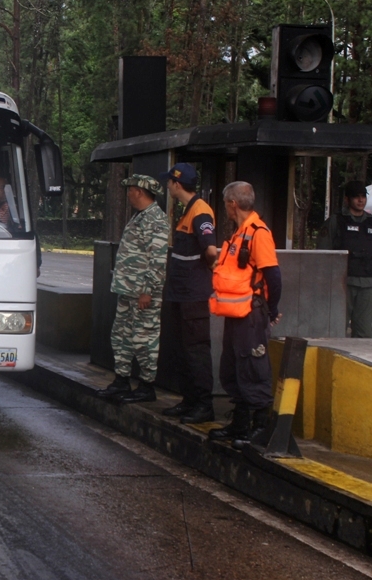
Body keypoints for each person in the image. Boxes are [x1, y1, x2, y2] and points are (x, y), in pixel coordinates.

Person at [208, 181, 282, 444]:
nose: (226, 207)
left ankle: (261, 426)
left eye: (226, 203)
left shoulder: (258, 233)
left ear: (232, 204)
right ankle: (239, 424)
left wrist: (270, 311)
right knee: (233, 365)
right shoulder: (239, 233)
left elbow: (273, 275)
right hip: (237, 312)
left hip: (252, 313)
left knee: (254, 365)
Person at [98, 174, 169, 403]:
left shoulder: (155, 219)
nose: (127, 194)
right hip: (128, 292)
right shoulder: (140, 217)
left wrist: (148, 290)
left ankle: (147, 385)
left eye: (130, 190)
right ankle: (122, 380)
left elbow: (157, 260)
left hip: (142, 294)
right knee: (122, 336)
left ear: (139, 191)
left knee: (144, 338)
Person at [158, 163, 218, 424]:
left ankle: (204, 405)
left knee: (196, 351)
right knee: (181, 349)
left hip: (193, 295)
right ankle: (189, 400)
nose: (167, 186)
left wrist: (203, 275)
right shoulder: (187, 211)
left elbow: (211, 251)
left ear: (177, 184)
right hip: (180, 294)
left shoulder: (200, 212)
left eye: (169, 182)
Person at [317, 179, 372, 338]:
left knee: (365, 333)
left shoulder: (370, 221)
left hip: (367, 284)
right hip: (342, 284)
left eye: (363, 196)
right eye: (356, 197)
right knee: (336, 329)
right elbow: (323, 253)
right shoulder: (336, 221)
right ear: (347, 199)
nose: (361, 200)